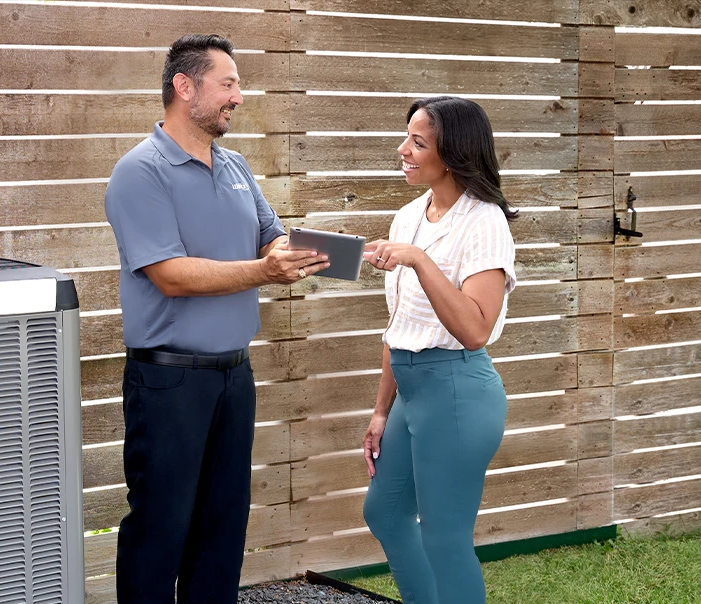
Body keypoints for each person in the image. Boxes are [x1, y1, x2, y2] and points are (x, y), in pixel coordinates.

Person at [103, 34, 329, 603]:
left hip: (234, 376)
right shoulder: (140, 172)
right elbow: (170, 274)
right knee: (161, 528)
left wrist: (345, 253)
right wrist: (264, 272)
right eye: (227, 84)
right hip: (169, 380)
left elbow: (271, 237)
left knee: (223, 528)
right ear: (185, 87)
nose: (239, 97)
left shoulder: (235, 166)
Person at [360, 96, 518, 604]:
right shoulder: (407, 217)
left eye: (418, 142)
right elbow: (399, 324)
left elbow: (475, 328)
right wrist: (381, 410)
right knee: (384, 512)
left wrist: (420, 261)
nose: (402, 149)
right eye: (406, 137)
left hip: (457, 389)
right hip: (410, 392)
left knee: (445, 539)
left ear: (451, 154)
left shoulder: (483, 221)